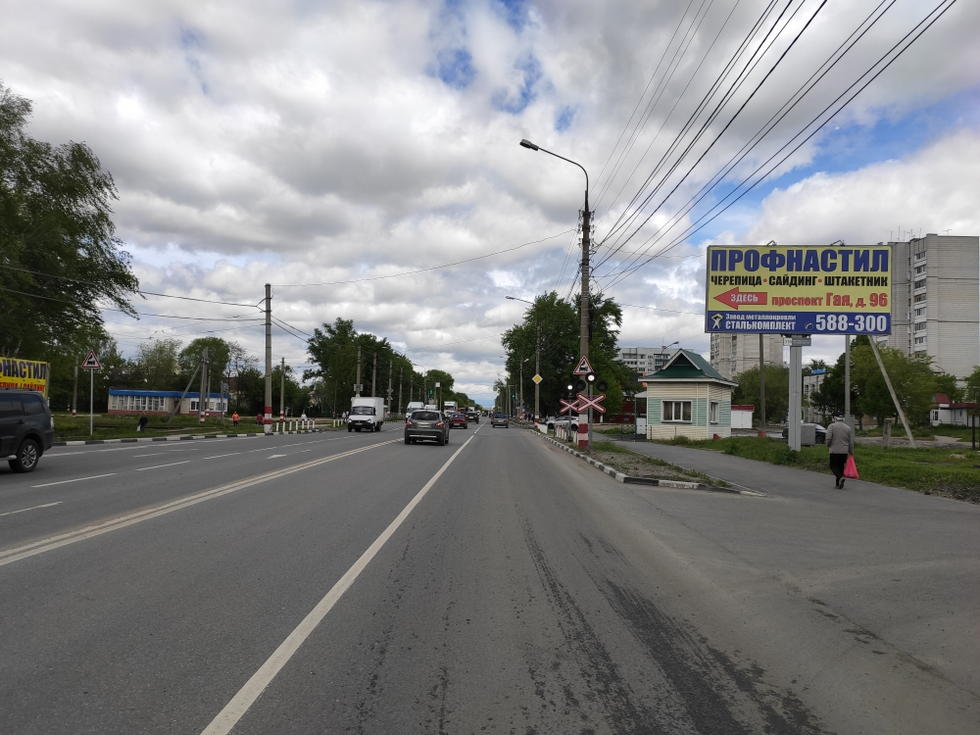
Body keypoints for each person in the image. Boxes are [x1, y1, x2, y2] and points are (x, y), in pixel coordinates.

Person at [825, 415, 854, 489]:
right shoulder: (848, 428)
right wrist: (850, 451)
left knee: (833, 466)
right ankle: (837, 484)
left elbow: (828, 438)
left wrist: (828, 445)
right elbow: (850, 442)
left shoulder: (831, 426)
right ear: (843, 419)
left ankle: (841, 478)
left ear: (835, 419)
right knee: (840, 467)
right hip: (844, 452)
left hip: (834, 451)